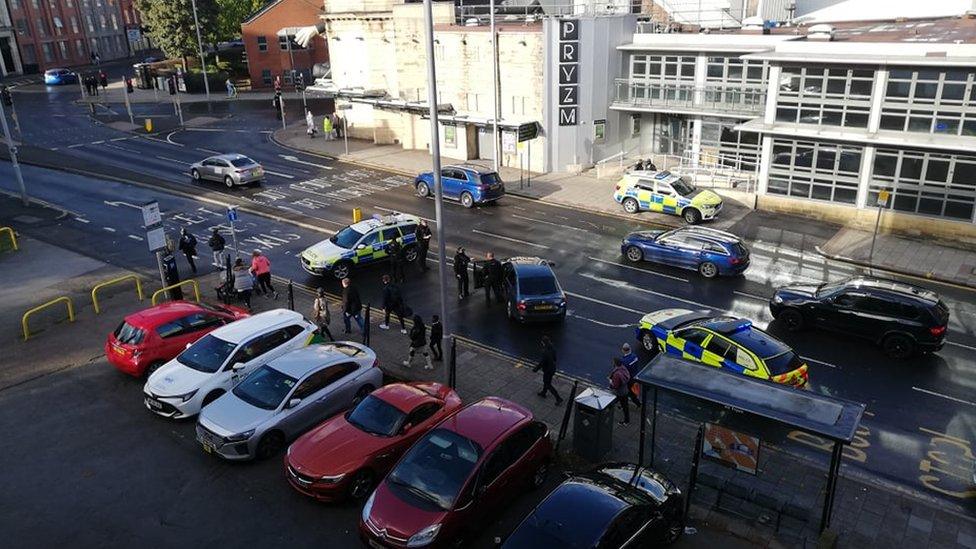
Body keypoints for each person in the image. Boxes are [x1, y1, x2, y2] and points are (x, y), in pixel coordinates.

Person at [532, 336, 562, 404]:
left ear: (543, 343)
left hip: (547, 370)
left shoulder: (545, 351)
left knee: (548, 384)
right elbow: (555, 358)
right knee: (546, 382)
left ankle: (558, 398)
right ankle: (543, 393)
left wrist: (536, 369)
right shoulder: (553, 348)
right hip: (552, 369)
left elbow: (542, 362)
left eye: (542, 342)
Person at [609, 357, 632, 425]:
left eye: (613, 362)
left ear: (615, 364)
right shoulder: (623, 368)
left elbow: (615, 386)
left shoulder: (616, 374)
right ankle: (627, 420)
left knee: (612, 402)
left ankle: (626, 421)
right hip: (625, 390)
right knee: (625, 405)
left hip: (619, 392)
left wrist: (611, 382)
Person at [620, 343, 642, 407]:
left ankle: (637, 403)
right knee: (633, 390)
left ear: (623, 350)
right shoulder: (635, 356)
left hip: (629, 379)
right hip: (635, 376)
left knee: (629, 392)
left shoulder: (623, 361)